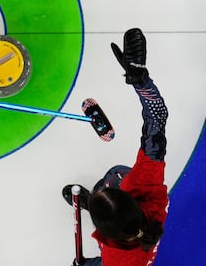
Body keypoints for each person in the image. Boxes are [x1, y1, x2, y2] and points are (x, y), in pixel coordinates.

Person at [62, 28, 169, 265]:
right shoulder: (146, 186)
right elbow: (157, 120)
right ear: (132, 201)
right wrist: (141, 81)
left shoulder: (116, 259)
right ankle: (93, 202)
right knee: (116, 173)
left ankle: (90, 202)